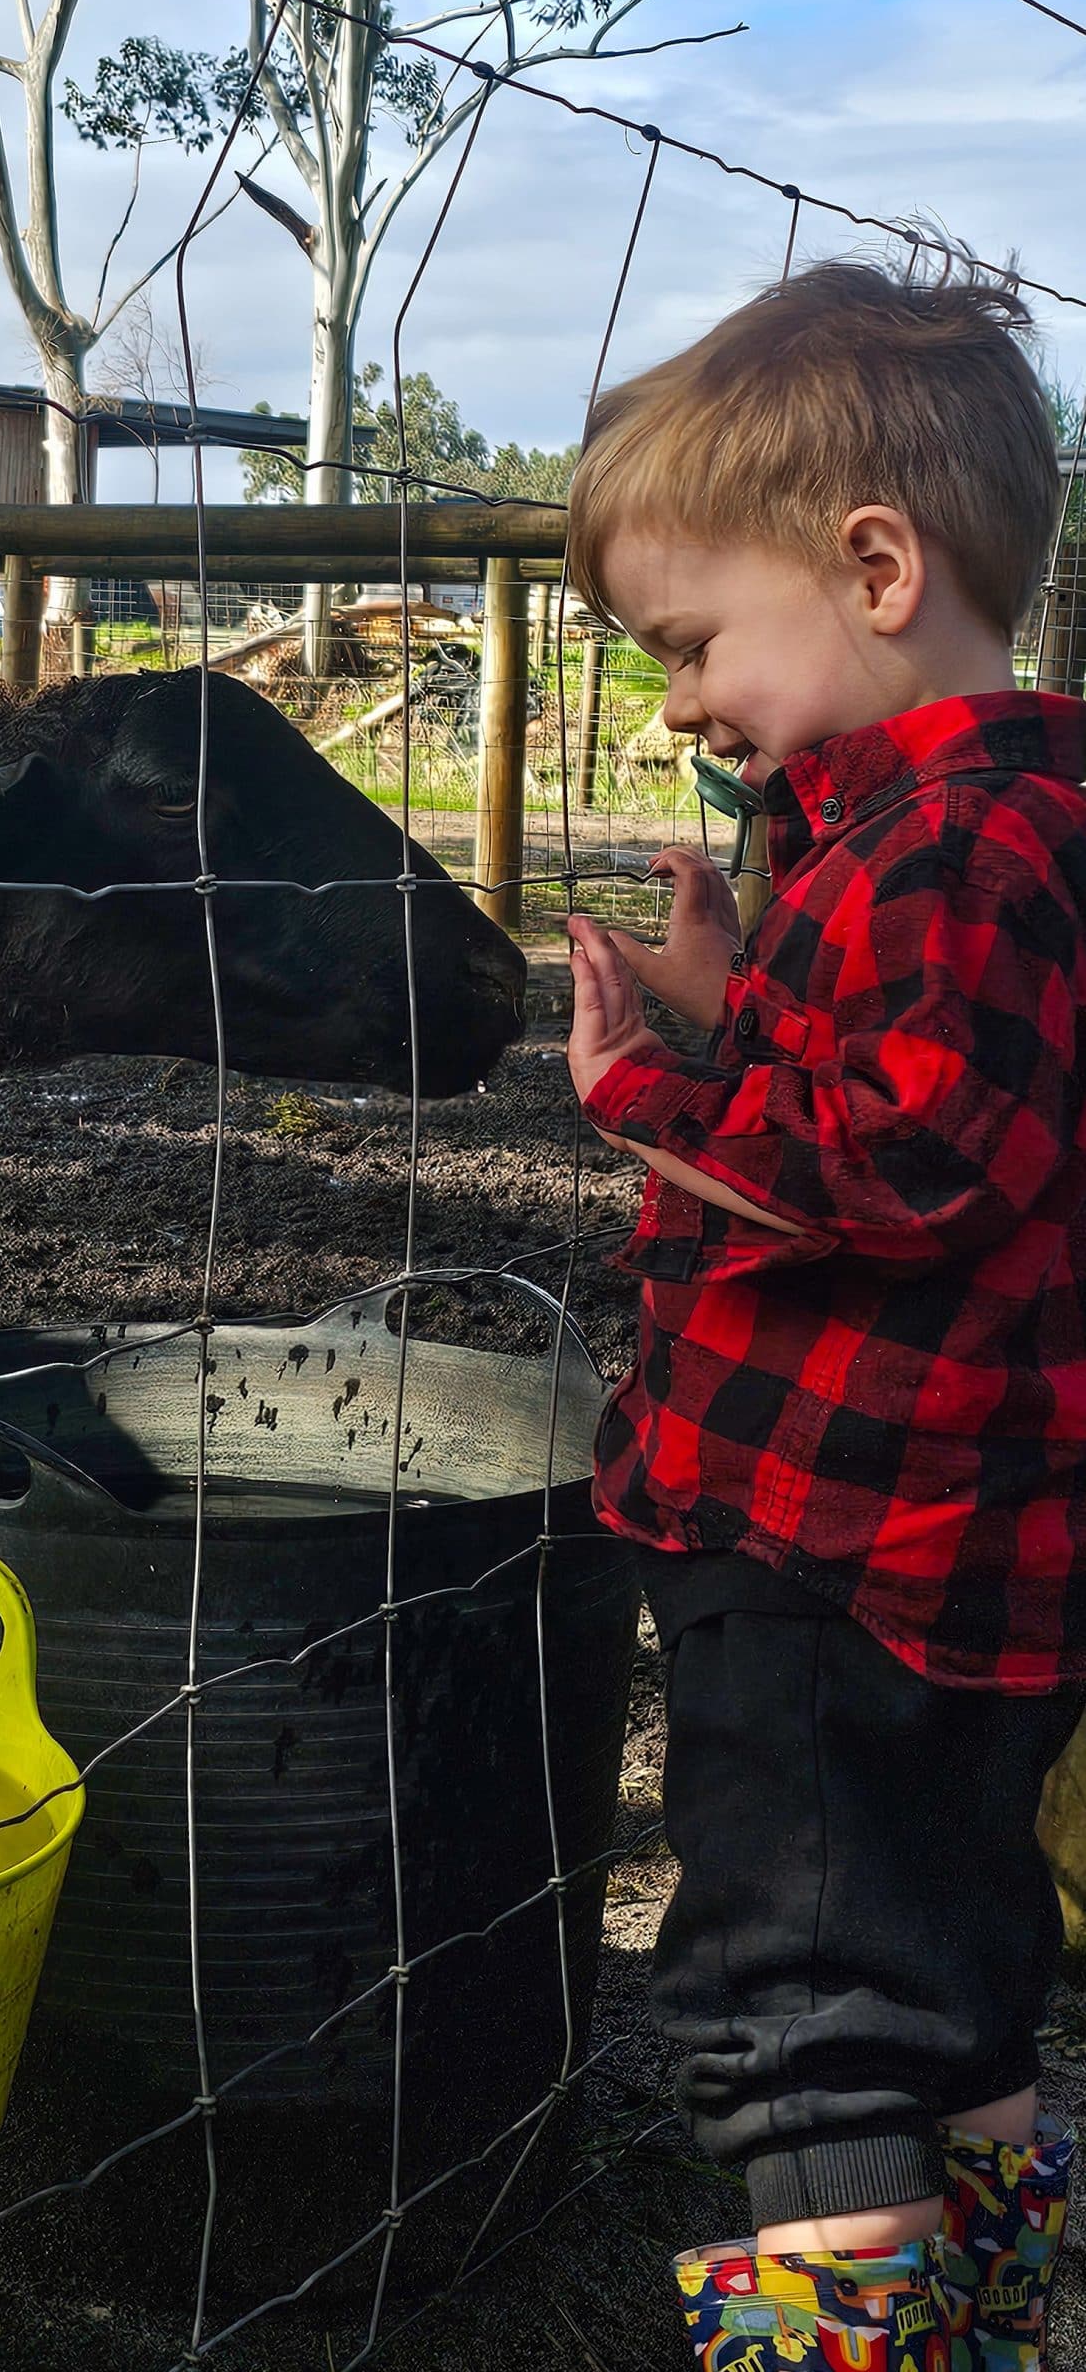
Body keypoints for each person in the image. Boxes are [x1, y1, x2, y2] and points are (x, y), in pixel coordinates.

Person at [562, 259, 1084, 2370]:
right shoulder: (991, 825)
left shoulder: (956, 844)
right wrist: (744, 1001)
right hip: (978, 1566)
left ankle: (861, 2342)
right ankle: (998, 2319)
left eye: (692, 641)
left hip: (829, 1554)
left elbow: (912, 1157)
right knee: (957, 1983)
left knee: (798, 2023)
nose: (679, 701)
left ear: (874, 565)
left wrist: (656, 1095)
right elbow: (942, 1098)